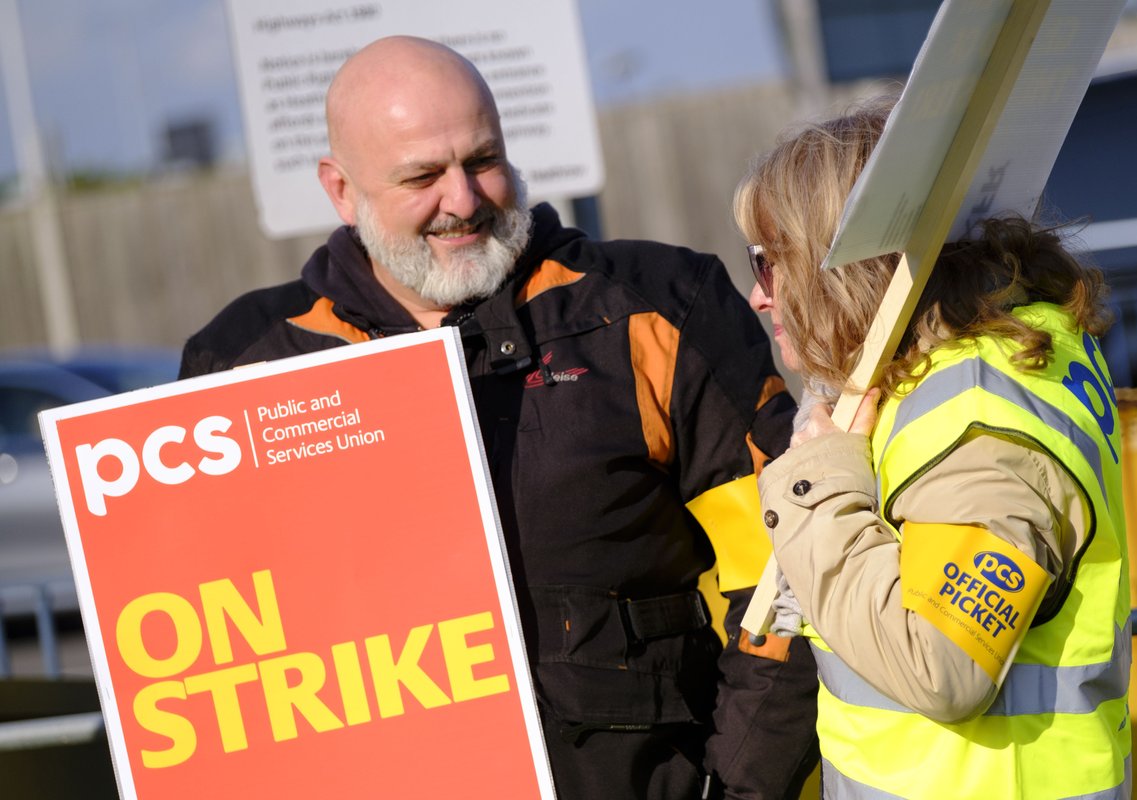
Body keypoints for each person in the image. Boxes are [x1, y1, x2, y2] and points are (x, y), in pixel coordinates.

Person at [180, 35, 819, 799]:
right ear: (341, 190)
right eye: (423, 176)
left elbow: (787, 574)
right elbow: (217, 662)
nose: (463, 200)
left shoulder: (657, 305)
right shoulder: (242, 364)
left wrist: (741, 790)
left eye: (483, 160)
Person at [734, 97, 1132, 798]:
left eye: (770, 264)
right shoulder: (958, 377)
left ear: (844, 266)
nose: (758, 297)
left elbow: (941, 666)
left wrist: (819, 493)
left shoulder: (976, 414)